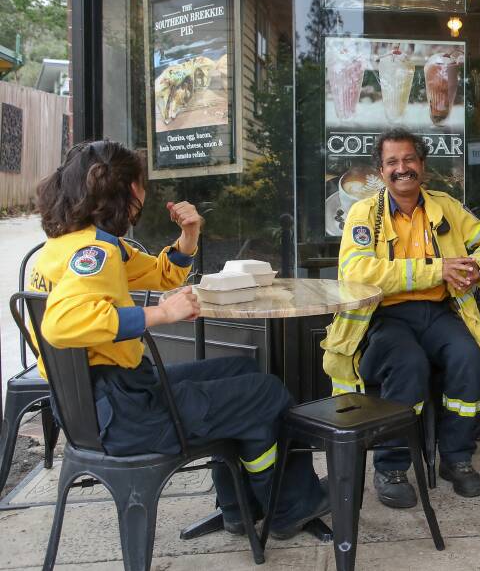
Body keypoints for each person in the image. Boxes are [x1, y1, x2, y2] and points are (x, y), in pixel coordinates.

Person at [31, 140, 327, 539]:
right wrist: (161, 314)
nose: (145, 192)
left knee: (241, 369)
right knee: (266, 393)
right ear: (126, 190)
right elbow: (62, 324)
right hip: (126, 414)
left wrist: (189, 234)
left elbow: (161, 274)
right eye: (141, 183)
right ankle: (290, 506)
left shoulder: (66, 247)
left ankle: (240, 508)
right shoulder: (95, 252)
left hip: (96, 407)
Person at [322, 128, 480, 507]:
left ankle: (456, 458)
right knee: (407, 365)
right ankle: (391, 467)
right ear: (381, 171)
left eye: (409, 159)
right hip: (385, 316)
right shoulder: (364, 213)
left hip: (439, 312)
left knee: (470, 359)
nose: (402, 168)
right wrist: (436, 269)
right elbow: (358, 272)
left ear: (422, 165)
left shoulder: (446, 206)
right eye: (392, 162)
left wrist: (479, 267)